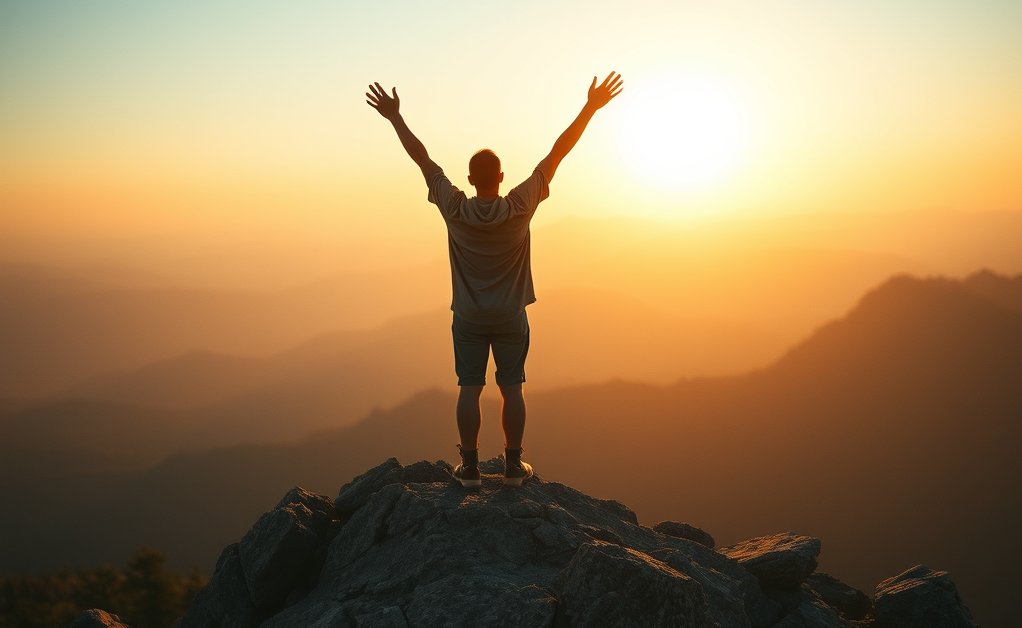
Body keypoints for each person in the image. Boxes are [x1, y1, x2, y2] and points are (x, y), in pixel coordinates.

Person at [366, 72, 623, 487]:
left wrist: (396, 118)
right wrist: (591, 108)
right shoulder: (520, 205)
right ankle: (512, 466)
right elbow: (558, 153)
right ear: (501, 177)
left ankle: (468, 467)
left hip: (468, 315)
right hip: (510, 315)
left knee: (469, 387)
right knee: (512, 388)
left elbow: (423, 159)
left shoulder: (454, 208)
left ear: (470, 179)